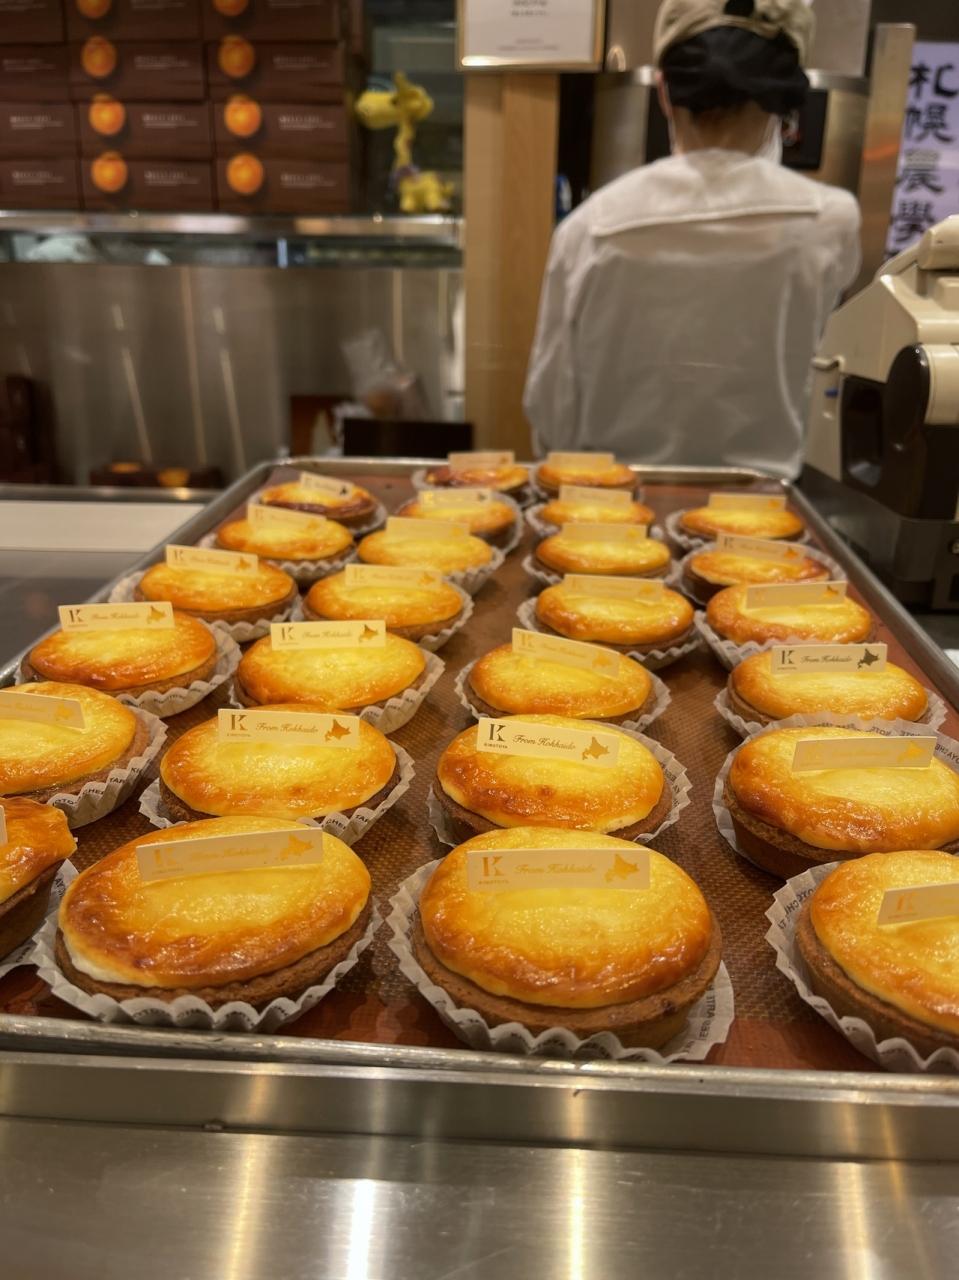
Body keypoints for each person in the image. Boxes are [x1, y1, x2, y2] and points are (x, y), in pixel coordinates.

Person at [523, 0, 862, 480]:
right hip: (762, 507)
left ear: (664, 91)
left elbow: (550, 407)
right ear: (783, 98)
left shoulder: (589, 227)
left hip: (611, 503)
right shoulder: (831, 219)